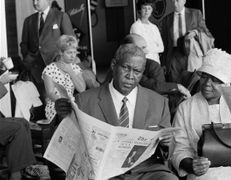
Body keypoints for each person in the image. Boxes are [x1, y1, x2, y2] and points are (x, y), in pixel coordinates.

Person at [55, 44, 178, 180]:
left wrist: (167, 143)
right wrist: (63, 113)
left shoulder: (158, 102)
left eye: (137, 71)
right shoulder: (85, 101)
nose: (130, 76)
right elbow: (69, 141)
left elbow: (170, 150)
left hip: (145, 170)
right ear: (114, 65)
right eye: (126, 68)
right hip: (103, 171)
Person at [171, 49, 231, 180]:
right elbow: (179, 148)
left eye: (215, 80)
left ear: (226, 82)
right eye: (204, 76)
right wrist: (192, 165)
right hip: (206, 171)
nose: (207, 84)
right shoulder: (186, 108)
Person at [20, 0, 74, 98]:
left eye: (38, 0)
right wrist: (28, 58)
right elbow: (24, 44)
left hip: (57, 68)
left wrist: (63, 62)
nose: (35, 3)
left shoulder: (61, 16)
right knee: (40, 102)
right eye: (33, 0)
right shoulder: (28, 20)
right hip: (35, 70)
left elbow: (70, 42)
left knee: (59, 101)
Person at [42, 35, 86, 124]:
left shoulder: (75, 68)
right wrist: (64, 103)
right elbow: (50, 93)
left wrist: (71, 72)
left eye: (74, 52)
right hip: (56, 106)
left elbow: (82, 89)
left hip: (72, 105)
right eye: (69, 53)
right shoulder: (50, 69)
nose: (73, 56)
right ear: (61, 52)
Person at [160, 0, 213, 72]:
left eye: (177, 1)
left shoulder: (195, 14)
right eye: (173, 1)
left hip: (191, 52)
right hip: (174, 55)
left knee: (192, 79)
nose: (175, 4)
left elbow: (205, 30)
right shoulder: (166, 20)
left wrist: (195, 32)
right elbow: (164, 42)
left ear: (184, 1)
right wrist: (164, 63)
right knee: (175, 80)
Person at [130, 0, 164, 64]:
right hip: (142, 62)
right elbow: (139, 48)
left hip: (156, 62)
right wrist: (154, 46)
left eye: (149, 8)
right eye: (144, 8)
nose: (146, 11)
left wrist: (147, 48)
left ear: (151, 10)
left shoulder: (154, 27)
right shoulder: (135, 26)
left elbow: (161, 48)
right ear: (140, 10)